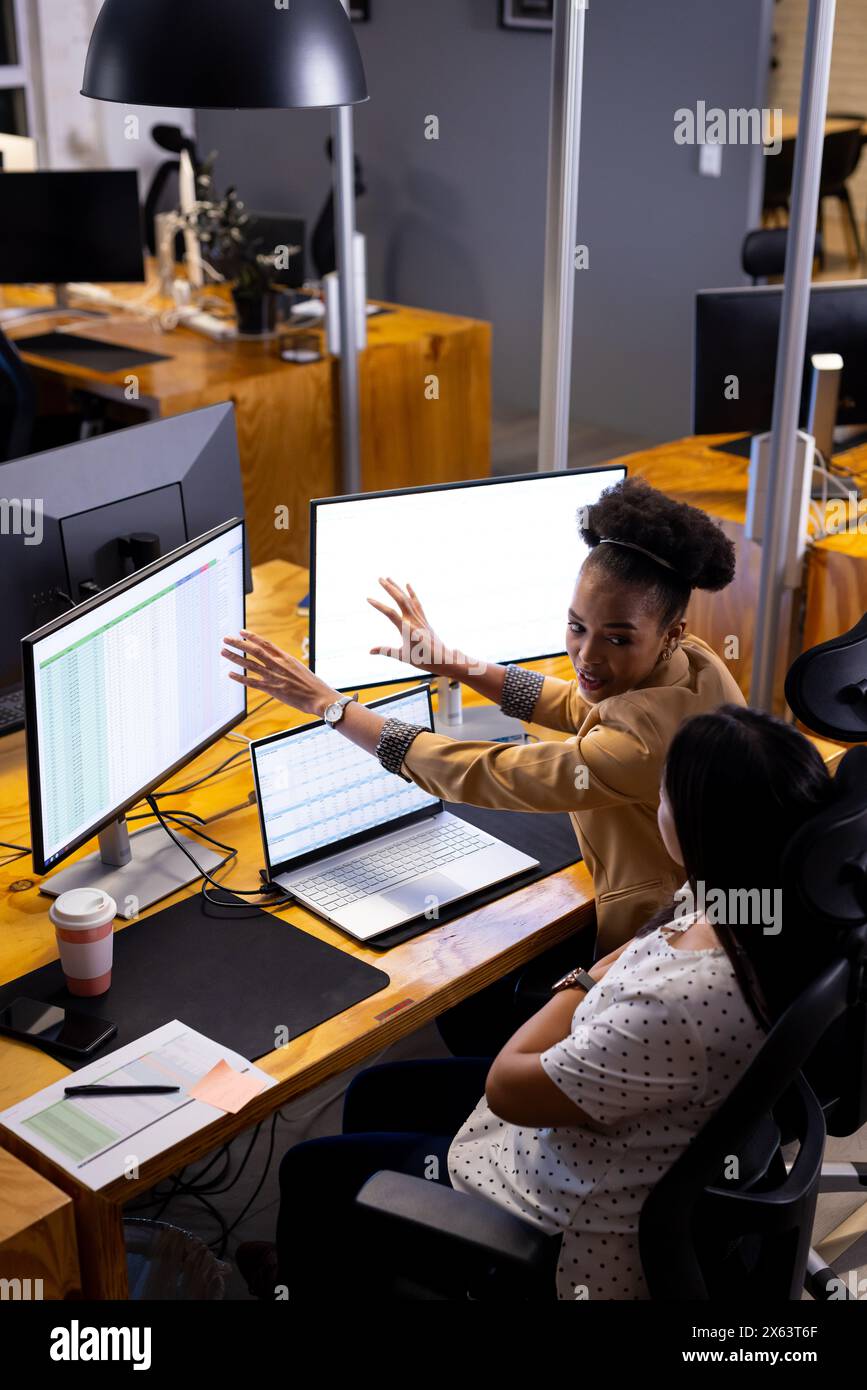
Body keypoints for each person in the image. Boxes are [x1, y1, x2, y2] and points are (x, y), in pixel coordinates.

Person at [236, 705, 835, 1301]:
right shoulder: (767, 905)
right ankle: (358, 1262)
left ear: (702, 827)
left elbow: (507, 1086)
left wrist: (583, 979)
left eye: (665, 796)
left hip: (567, 1225)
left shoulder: (679, 999)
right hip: (629, 1136)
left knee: (310, 1171)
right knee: (375, 1092)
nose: (658, 809)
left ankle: (310, 1276)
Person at [222, 477, 742, 952]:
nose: (587, 655)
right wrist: (451, 662)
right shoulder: (689, 660)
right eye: (576, 627)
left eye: (617, 638)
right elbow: (577, 702)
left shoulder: (642, 749)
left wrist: (330, 706)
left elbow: (489, 774)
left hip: (655, 940)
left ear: (671, 631)